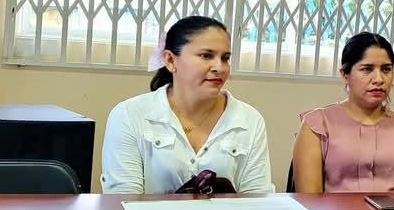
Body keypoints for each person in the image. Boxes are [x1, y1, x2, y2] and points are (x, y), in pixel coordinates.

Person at [101, 16, 273, 194]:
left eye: (225, 58)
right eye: (206, 56)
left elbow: (257, 199)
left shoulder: (249, 120)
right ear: (170, 60)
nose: (219, 67)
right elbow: (122, 200)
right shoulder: (129, 115)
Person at [292, 32, 394, 193]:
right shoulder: (317, 126)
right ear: (345, 75)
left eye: (386, 69)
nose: (379, 79)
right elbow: (309, 202)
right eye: (367, 69)